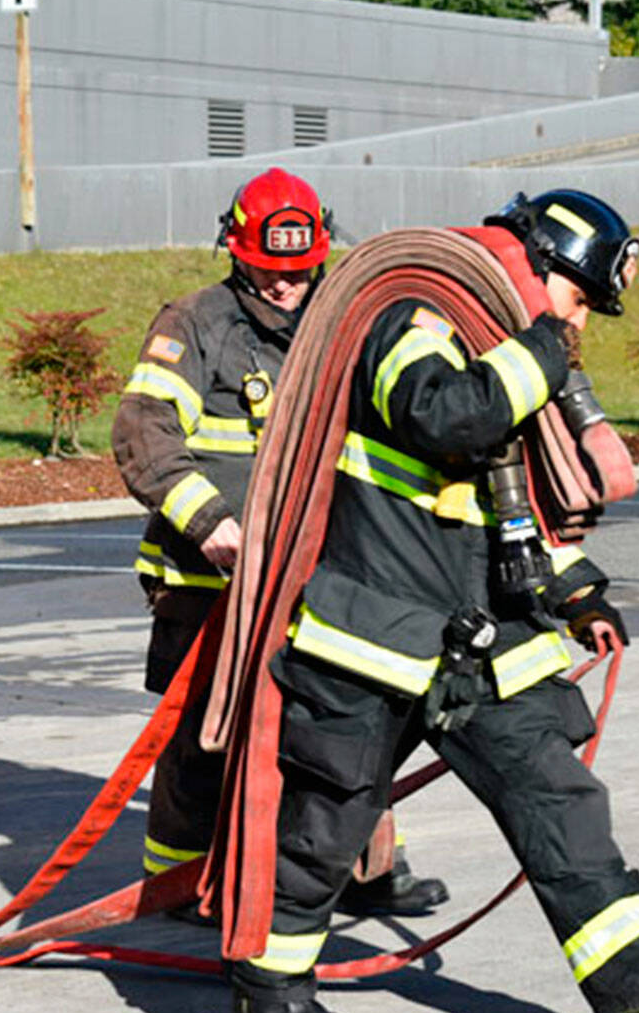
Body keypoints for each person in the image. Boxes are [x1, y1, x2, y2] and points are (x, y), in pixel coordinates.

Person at [225, 189, 639, 1013]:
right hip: (374, 635)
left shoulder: (501, 347)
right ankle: (269, 987)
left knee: (560, 800)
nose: (581, 322)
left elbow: (513, 502)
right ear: (544, 268)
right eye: (580, 299)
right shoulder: (413, 313)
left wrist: (578, 589)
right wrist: (543, 352)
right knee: (331, 821)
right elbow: (442, 416)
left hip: (477, 645)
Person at [112, 167, 447, 921]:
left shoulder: (346, 322)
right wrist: (209, 526)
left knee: (348, 730)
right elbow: (143, 431)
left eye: (301, 270)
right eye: (272, 269)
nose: (288, 286)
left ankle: (362, 869)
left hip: (321, 576)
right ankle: (183, 883)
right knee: (203, 745)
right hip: (210, 584)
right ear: (236, 250)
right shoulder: (195, 324)